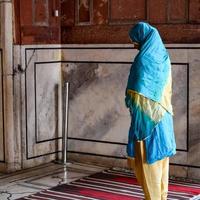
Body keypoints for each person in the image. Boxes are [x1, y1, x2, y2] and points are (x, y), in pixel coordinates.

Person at [125, 22, 176, 200]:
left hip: (147, 123)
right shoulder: (163, 56)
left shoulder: (143, 60)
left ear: (143, 38)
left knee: (148, 165)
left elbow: (136, 89)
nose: (134, 44)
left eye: (135, 40)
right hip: (164, 117)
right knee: (162, 164)